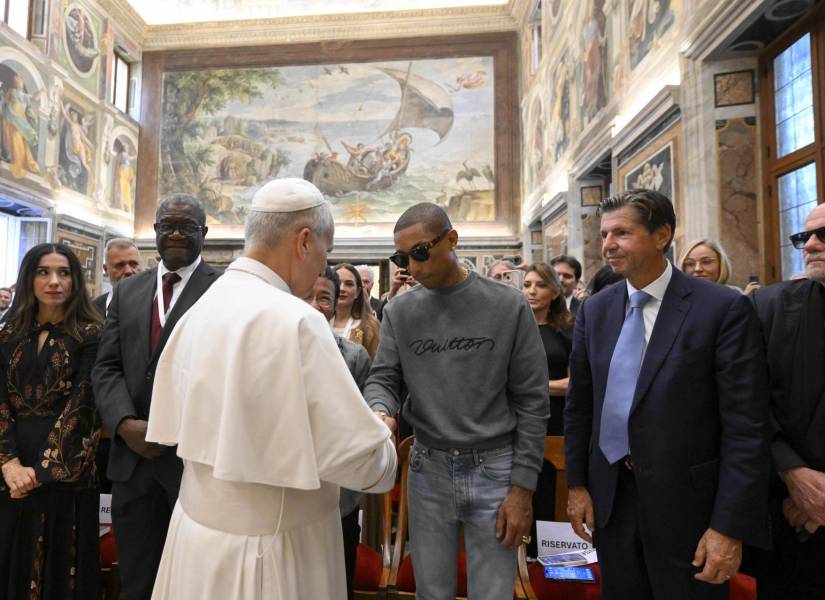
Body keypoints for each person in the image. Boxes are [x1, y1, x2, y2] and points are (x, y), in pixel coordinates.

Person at [145, 178, 396, 600]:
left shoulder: (199, 308)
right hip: (273, 555)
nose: (322, 267)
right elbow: (361, 463)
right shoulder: (297, 321)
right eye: (324, 252)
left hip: (194, 540)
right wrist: (381, 433)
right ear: (303, 240)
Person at [565, 189, 770, 599]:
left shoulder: (720, 308)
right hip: (612, 503)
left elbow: (746, 426)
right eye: (604, 235)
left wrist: (728, 525)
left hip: (690, 510)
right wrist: (578, 485)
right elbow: (580, 406)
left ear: (662, 236)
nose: (608, 245)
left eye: (622, 233)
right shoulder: (596, 309)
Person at [365, 202, 549, 600]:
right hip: (429, 467)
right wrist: (380, 409)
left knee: (493, 593)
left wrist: (522, 489)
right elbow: (384, 378)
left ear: (452, 240)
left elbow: (533, 401)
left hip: (496, 468)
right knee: (432, 592)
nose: (412, 267)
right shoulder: (400, 310)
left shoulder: (507, 305)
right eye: (402, 257)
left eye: (420, 253)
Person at [92, 194, 218, 600]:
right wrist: (124, 423)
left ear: (205, 233)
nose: (177, 234)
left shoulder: (225, 289)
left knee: (196, 582)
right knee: (136, 579)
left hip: (194, 460)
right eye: (168, 226)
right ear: (155, 232)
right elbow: (106, 367)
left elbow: (228, 373)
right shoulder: (128, 292)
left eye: (188, 227)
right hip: (133, 460)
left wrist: (175, 427)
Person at [0, 243, 102, 598]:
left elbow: (84, 403)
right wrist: (9, 463)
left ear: (76, 280)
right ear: (29, 278)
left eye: (64, 272)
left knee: (61, 572)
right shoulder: (6, 334)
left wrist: (42, 471)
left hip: (64, 471)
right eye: (44, 272)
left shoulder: (92, 334)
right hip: (11, 467)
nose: (54, 281)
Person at [752, 202, 825, 599]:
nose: (810, 245)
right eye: (803, 237)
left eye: (823, 235)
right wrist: (793, 475)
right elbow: (747, 399)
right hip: (786, 512)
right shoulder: (769, 308)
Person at [304, 266, 373, 600]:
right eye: (307, 296)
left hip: (338, 493)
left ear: (335, 306)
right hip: (290, 489)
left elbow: (360, 423)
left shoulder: (354, 357)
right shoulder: (271, 351)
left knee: (337, 579)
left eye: (324, 299)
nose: (315, 306)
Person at [522, 262, 574, 557]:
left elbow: (576, 383)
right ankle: (521, 555)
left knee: (550, 490)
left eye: (540, 285)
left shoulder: (567, 328)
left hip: (556, 421)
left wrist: (535, 387)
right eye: (527, 284)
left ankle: (550, 557)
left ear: (555, 292)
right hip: (517, 420)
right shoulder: (514, 325)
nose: (532, 291)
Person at [679, 238, 760, 294]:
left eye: (706, 262)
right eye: (690, 264)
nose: (698, 269)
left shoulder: (735, 293)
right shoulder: (674, 298)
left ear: (721, 264)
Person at [333, 263, 380, 358]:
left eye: (349, 284)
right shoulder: (319, 321)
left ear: (357, 292)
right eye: (337, 283)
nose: (342, 289)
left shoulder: (370, 325)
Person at [94, 238, 142, 317]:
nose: (128, 271)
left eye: (133, 264)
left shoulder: (156, 304)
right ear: (106, 270)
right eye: (120, 265)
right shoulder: (93, 310)